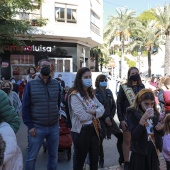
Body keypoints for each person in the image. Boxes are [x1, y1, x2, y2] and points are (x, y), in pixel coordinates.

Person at [22, 59, 61, 170]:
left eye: (49, 66)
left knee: (53, 156)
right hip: (37, 128)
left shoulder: (56, 84)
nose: (46, 68)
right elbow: (25, 108)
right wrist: (30, 126)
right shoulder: (30, 85)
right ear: (38, 68)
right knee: (31, 157)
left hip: (53, 127)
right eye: (44, 66)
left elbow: (57, 104)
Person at [68, 67, 105, 170]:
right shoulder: (74, 95)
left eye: (90, 77)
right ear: (79, 78)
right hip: (81, 131)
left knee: (94, 161)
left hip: (94, 128)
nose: (88, 79)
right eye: (86, 77)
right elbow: (82, 117)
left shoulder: (90, 93)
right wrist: (97, 113)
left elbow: (102, 107)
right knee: (79, 162)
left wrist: (94, 112)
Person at [127, 89, 163, 170]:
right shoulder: (132, 112)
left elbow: (160, 133)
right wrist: (143, 119)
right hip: (140, 151)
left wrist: (160, 128)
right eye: (146, 104)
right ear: (140, 102)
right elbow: (134, 136)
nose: (149, 106)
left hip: (153, 149)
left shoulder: (155, 113)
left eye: (152, 104)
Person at [116, 67, 145, 170]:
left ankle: (139, 160)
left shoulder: (142, 87)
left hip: (140, 117)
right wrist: (121, 119)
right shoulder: (124, 87)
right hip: (127, 117)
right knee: (127, 140)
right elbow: (118, 103)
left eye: (137, 73)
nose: (135, 74)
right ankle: (127, 162)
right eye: (133, 73)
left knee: (139, 140)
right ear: (129, 75)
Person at [94, 74, 124, 168]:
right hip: (100, 120)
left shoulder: (109, 91)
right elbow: (95, 107)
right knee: (99, 141)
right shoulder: (95, 93)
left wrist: (110, 117)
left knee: (121, 136)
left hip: (110, 120)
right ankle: (101, 160)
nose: (104, 81)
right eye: (102, 80)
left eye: (105, 80)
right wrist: (105, 118)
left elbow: (114, 106)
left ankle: (122, 158)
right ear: (98, 82)